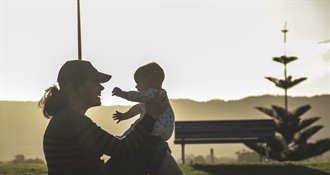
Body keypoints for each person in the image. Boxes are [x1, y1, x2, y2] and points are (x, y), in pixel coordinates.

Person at [38, 60, 183, 175]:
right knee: (151, 144)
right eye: (96, 82)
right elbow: (123, 149)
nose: (101, 88)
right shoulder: (71, 120)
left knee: (151, 144)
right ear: (78, 86)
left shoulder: (65, 118)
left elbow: (116, 146)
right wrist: (151, 115)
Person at [112, 62, 174, 142]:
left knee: (137, 125)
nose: (136, 86)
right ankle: (123, 138)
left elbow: (139, 97)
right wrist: (124, 116)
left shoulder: (156, 93)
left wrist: (122, 94)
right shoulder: (154, 97)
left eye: (138, 82)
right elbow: (137, 108)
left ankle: (123, 139)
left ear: (149, 80)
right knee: (138, 124)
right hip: (163, 131)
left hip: (157, 126)